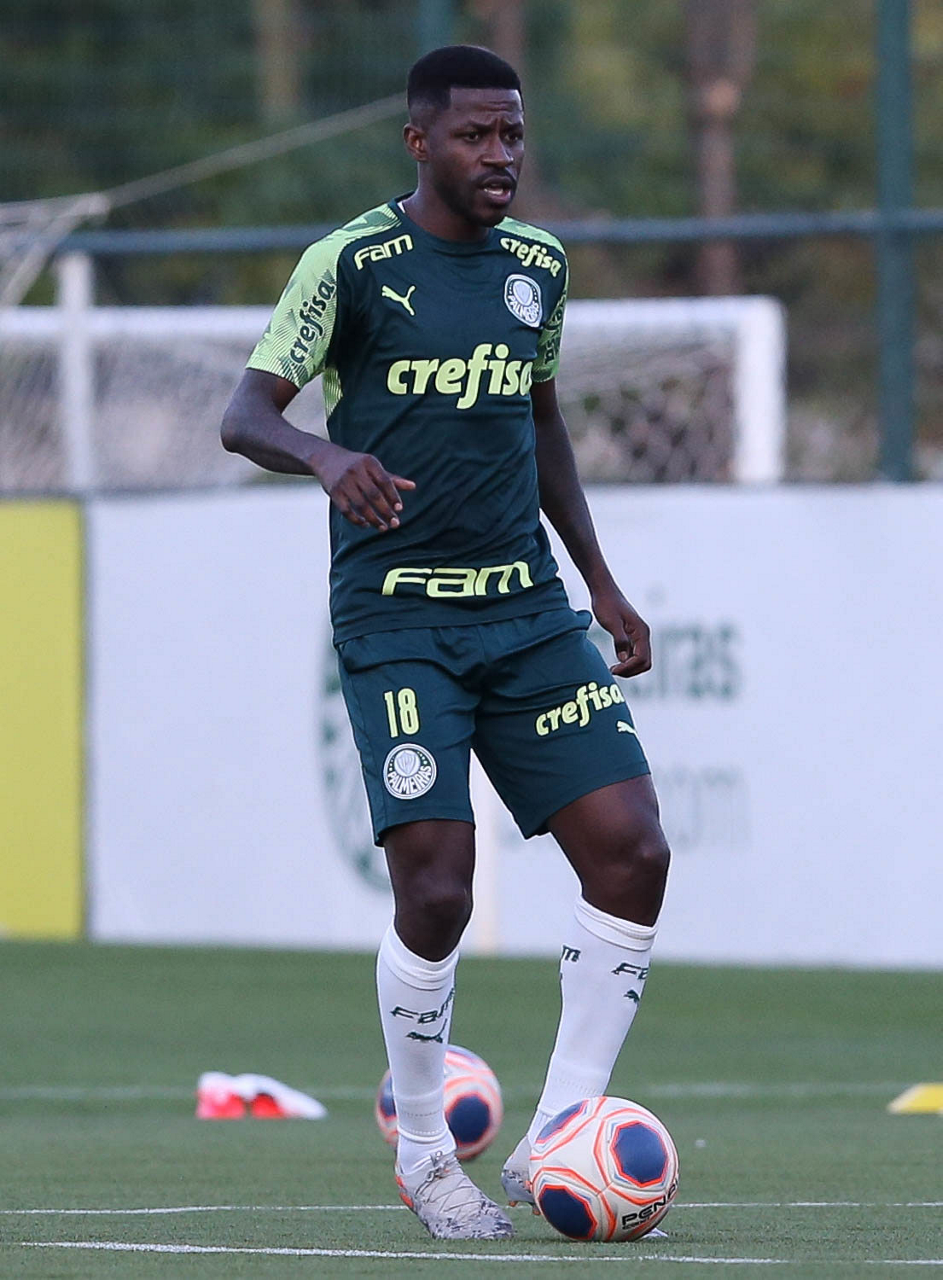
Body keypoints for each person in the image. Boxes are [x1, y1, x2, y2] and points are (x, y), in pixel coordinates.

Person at [221, 44, 670, 1242]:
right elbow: (245, 412)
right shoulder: (351, 262)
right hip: (399, 618)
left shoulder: (539, 267)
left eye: (512, 134)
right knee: (437, 887)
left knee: (632, 850)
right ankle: (425, 1154)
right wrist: (326, 455)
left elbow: (541, 421)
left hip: (527, 610)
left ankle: (557, 1130)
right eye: (475, 135)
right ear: (419, 141)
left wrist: (600, 583)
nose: (500, 155)